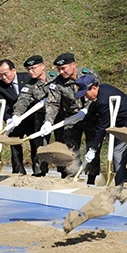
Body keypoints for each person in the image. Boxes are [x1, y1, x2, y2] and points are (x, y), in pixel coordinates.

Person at [42, 53, 100, 182]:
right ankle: (72, 176)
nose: (61, 72)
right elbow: (53, 103)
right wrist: (48, 121)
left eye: (64, 68)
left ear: (73, 65)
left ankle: (92, 177)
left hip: (91, 116)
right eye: (59, 69)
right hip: (71, 117)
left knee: (92, 145)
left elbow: (97, 92)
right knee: (70, 148)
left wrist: (87, 108)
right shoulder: (57, 83)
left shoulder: (89, 74)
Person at [75, 75, 127, 185]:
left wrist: (93, 149)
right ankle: (122, 181)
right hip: (121, 124)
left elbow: (102, 127)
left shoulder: (103, 101)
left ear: (94, 88)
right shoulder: (103, 90)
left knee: (118, 153)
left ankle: (121, 185)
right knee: (119, 153)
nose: (86, 97)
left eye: (86, 93)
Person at [6, 55, 57, 177]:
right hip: (42, 117)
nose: (30, 71)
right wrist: (16, 115)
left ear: (42, 66)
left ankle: (66, 173)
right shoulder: (30, 85)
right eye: (28, 69)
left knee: (63, 142)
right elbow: (23, 100)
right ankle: (40, 173)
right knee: (40, 145)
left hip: (59, 115)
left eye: (33, 68)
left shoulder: (56, 78)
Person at [0, 59, 33, 175]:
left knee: (36, 143)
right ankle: (18, 171)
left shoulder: (27, 78)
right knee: (14, 145)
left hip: (31, 118)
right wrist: (8, 119)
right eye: (1, 75)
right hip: (14, 120)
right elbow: (2, 106)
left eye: (6, 74)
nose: (4, 77)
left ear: (13, 70)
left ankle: (39, 171)